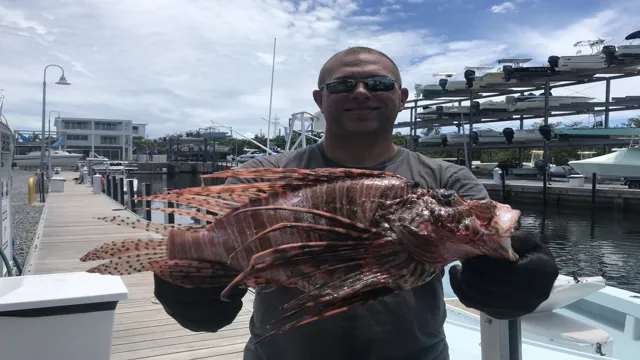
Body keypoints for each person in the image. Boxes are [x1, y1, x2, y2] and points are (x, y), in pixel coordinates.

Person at [153, 47, 559, 360]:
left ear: (400, 97)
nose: (362, 92)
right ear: (320, 99)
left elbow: (484, 254)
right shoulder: (265, 172)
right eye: (344, 85)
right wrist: (193, 288)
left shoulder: (447, 181)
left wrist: (510, 282)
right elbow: (221, 263)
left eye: (378, 84)